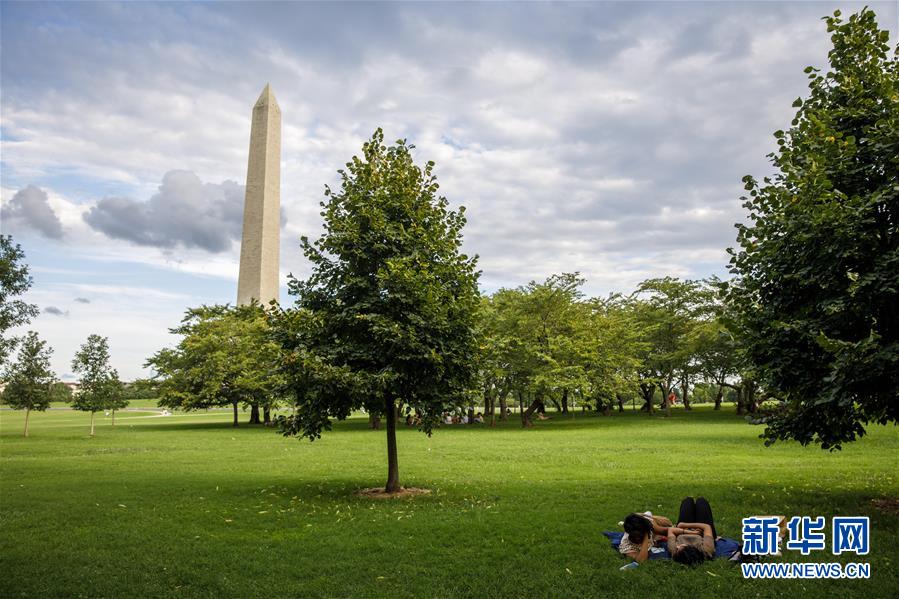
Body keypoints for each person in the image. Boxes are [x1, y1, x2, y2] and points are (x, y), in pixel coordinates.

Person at [667, 497, 718, 566]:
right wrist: (695, 532)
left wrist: (686, 529)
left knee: (687, 501)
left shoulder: (675, 552)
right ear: (690, 548)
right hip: (702, 530)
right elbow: (707, 527)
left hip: (683, 529)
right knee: (701, 502)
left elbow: (671, 530)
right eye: (680, 548)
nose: (677, 547)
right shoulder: (706, 550)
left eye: (677, 549)